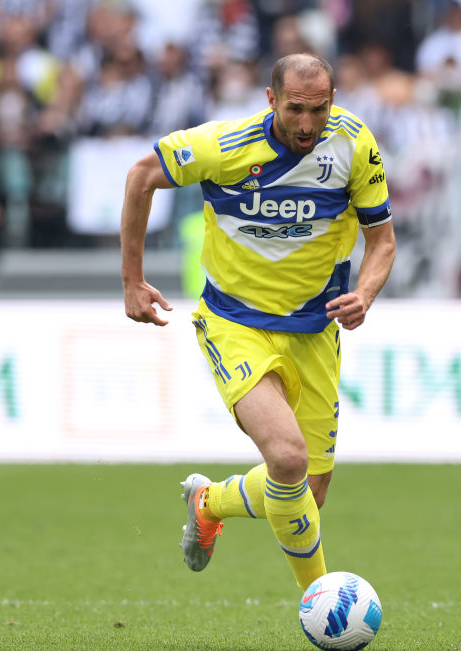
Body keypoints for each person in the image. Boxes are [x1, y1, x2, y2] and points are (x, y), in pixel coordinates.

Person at [119, 53, 396, 591]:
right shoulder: (223, 146)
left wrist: (365, 292)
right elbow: (141, 175)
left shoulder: (354, 143)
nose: (308, 124)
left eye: (320, 109)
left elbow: (382, 240)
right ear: (271, 100)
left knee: (308, 493)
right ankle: (321, 602)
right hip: (235, 324)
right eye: (296, 109)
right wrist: (132, 278)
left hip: (315, 332)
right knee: (287, 458)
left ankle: (210, 501)